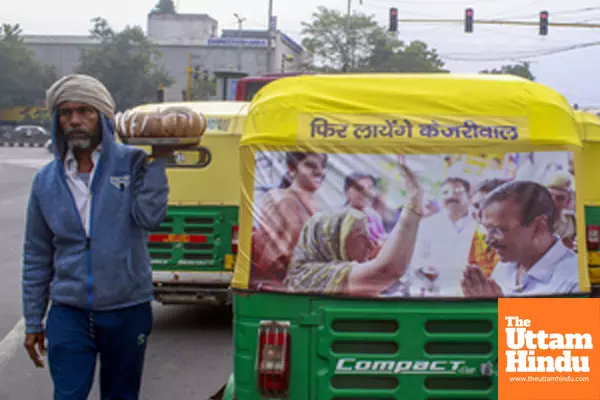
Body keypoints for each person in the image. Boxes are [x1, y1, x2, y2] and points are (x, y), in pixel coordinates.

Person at [21, 74, 177, 400]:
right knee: (68, 395)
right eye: (66, 112)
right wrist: (34, 320)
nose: (75, 120)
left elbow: (150, 217)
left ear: (103, 117)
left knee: (121, 395)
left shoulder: (132, 162)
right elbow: (36, 253)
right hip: (69, 310)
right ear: (56, 120)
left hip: (127, 307)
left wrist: (160, 161)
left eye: (85, 111)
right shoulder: (46, 181)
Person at [283, 163, 424, 296]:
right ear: (336, 241)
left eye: (370, 188)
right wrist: (413, 207)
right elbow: (386, 270)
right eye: (360, 236)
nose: (371, 243)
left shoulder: (371, 216)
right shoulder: (308, 276)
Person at [461, 181, 580, 297]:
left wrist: (499, 309)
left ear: (538, 227)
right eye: (487, 230)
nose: (488, 240)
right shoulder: (507, 265)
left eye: (497, 231)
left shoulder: (575, 279)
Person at [251, 152, 328, 286]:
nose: (319, 172)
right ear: (292, 168)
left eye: (322, 166)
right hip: (281, 284)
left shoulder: (319, 206)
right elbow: (272, 253)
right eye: (310, 165)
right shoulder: (282, 199)